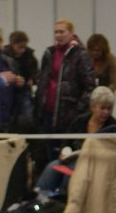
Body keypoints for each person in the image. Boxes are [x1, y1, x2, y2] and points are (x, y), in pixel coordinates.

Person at [35, 85, 116, 196]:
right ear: (92, 107)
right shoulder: (79, 121)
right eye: (102, 108)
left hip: (97, 165)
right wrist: (63, 152)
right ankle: (39, 197)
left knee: (71, 173)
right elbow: (66, 142)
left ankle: (62, 201)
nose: (106, 112)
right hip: (72, 160)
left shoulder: (115, 127)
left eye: (109, 108)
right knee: (52, 166)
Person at [35, 18, 97, 157]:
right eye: (56, 32)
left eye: (62, 31)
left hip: (69, 115)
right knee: (50, 154)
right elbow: (41, 79)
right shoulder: (49, 53)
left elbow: (90, 86)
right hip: (48, 114)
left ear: (71, 33)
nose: (58, 35)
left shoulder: (81, 54)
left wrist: (77, 110)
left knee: (67, 154)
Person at [3, 30, 38, 127]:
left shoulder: (29, 55)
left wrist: (33, 79)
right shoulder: (3, 56)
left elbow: (36, 71)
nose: (22, 50)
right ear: (12, 44)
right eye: (20, 47)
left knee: (27, 118)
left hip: (24, 90)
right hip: (7, 91)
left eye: (24, 47)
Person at [0, 26, 19, 131]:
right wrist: (2, 80)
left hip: (6, 116)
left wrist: (18, 82)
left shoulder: (7, 61)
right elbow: (2, 80)